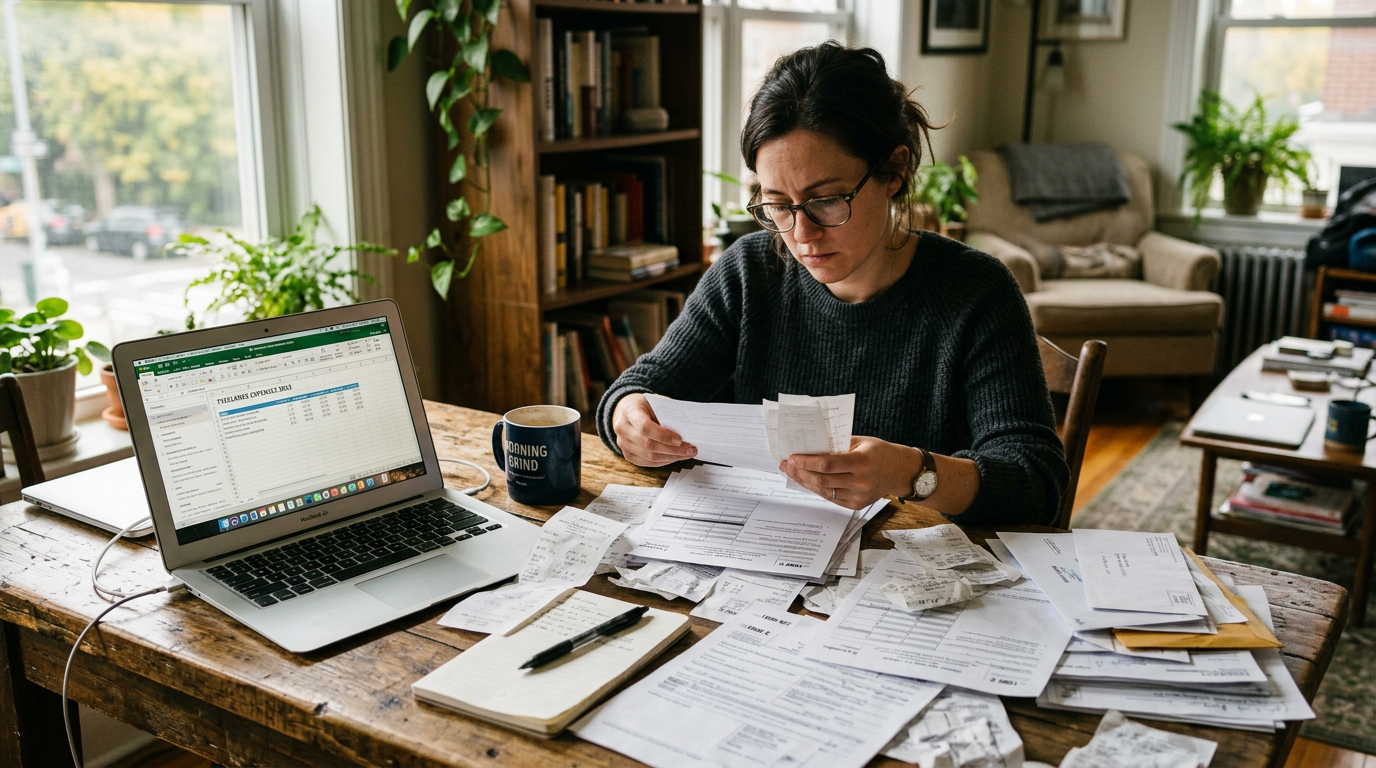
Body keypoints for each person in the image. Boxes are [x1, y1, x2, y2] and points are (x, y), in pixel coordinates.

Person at [596, 42, 1068, 526]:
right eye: (777, 205)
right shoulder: (750, 272)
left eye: (825, 200)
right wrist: (629, 416)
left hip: (912, 566)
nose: (801, 234)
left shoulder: (977, 292)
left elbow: (1036, 482)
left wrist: (911, 472)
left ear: (893, 171)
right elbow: (641, 388)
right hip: (766, 548)